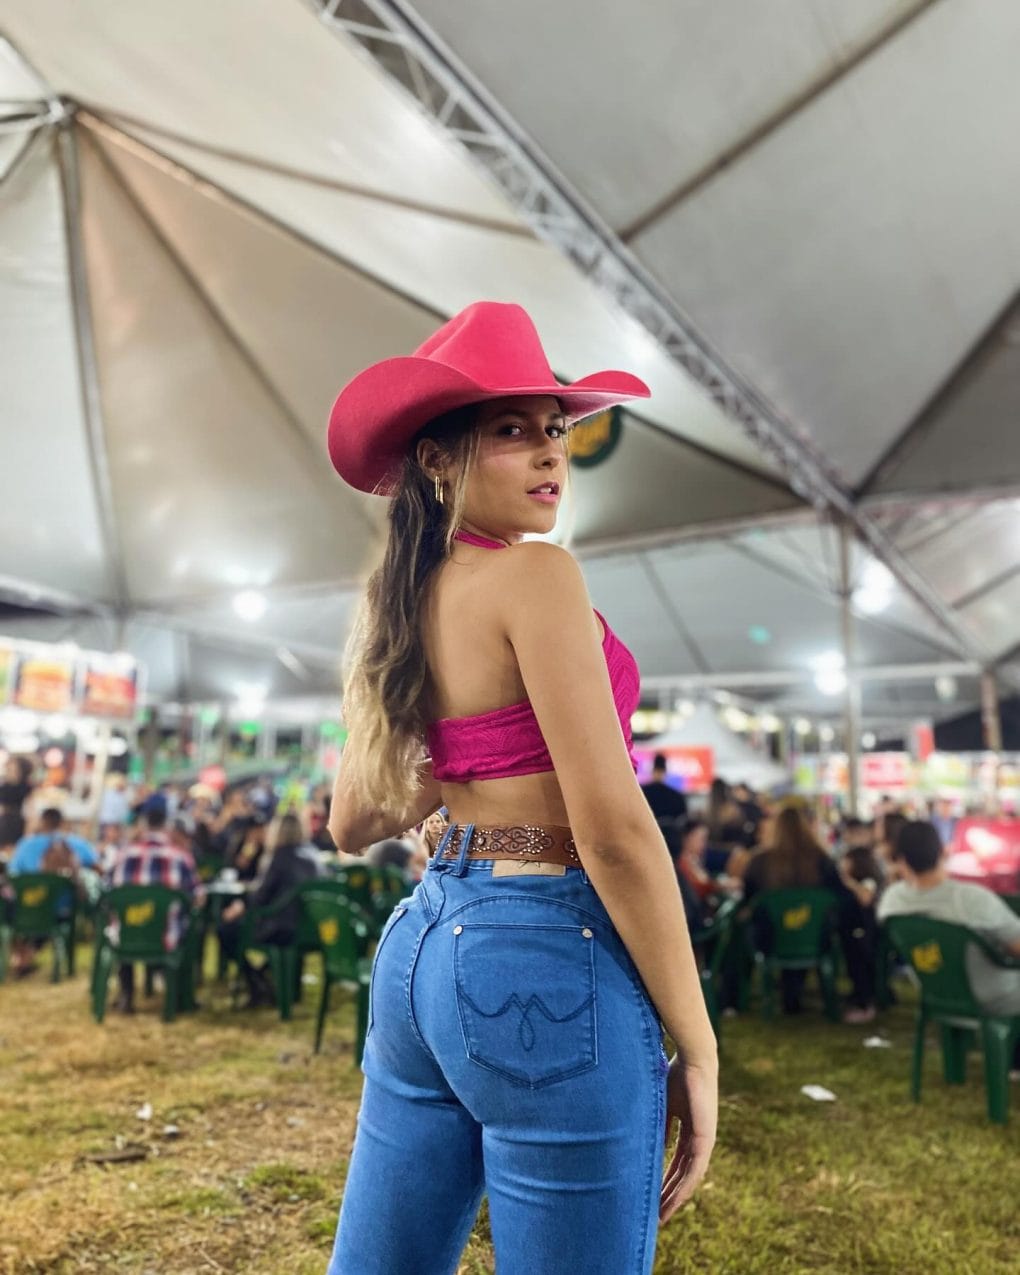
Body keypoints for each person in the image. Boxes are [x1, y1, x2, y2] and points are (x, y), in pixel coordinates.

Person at [322, 302, 717, 1274]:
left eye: (556, 428)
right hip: (543, 951)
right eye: (512, 430)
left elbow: (350, 821)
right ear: (438, 458)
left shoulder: (403, 601)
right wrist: (697, 1044)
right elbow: (615, 830)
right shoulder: (537, 576)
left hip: (424, 956)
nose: (550, 453)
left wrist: (460, 762)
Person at [878, 821, 1020, 1065]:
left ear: (900, 859)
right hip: (991, 996)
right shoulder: (972, 899)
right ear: (944, 851)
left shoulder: (892, 902)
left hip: (934, 989)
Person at [742, 805, 856, 1015]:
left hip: (770, 941)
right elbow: (842, 898)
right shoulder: (822, 861)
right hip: (816, 939)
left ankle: (736, 1000)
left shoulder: (758, 862)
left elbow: (747, 902)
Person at [219, 812, 323, 1008]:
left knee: (226, 930)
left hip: (279, 927)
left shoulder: (279, 857)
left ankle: (257, 983)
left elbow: (260, 897)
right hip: (310, 928)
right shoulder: (313, 855)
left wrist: (240, 907)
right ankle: (269, 982)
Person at [107, 795, 198, 1013]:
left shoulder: (122, 855)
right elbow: (196, 897)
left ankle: (126, 995)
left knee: (127, 924)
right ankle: (179, 994)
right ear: (167, 825)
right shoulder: (181, 857)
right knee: (188, 927)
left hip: (124, 936)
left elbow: (107, 893)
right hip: (166, 937)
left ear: (143, 824)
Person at [640, 753, 688, 826]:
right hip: (669, 834)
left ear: (653, 770)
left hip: (647, 830)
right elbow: (682, 817)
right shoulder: (675, 796)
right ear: (665, 772)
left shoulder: (642, 792)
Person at [0, 756, 34, 853]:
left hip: (17, 821)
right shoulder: (3, 785)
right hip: (3, 819)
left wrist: (28, 832)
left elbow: (30, 810)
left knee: (13, 850)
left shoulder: (26, 787)